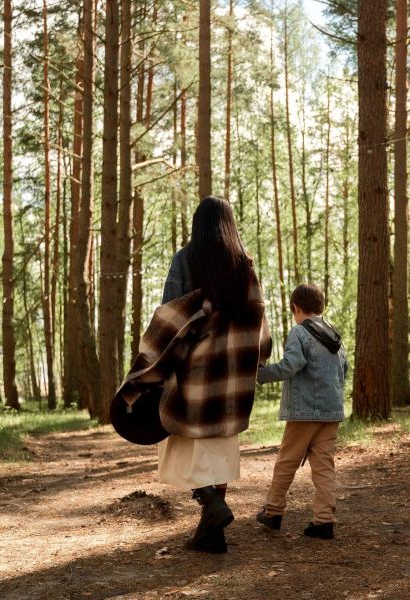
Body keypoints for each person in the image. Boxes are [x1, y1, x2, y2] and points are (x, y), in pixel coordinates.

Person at [130, 196, 271, 554]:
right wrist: (260, 357)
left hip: (193, 371)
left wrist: (152, 362)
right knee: (220, 449)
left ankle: (211, 504)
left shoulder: (186, 258)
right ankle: (213, 532)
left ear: (198, 225)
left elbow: (168, 313)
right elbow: (259, 316)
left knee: (178, 439)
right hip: (232, 375)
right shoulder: (245, 264)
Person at [255, 284, 348, 540]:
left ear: (296, 308)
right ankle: (324, 520)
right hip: (331, 412)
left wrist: (260, 374)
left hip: (304, 412)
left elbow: (291, 365)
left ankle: (273, 511)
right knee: (324, 466)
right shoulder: (335, 336)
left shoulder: (299, 332)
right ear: (321, 307)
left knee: (286, 462)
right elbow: (344, 369)